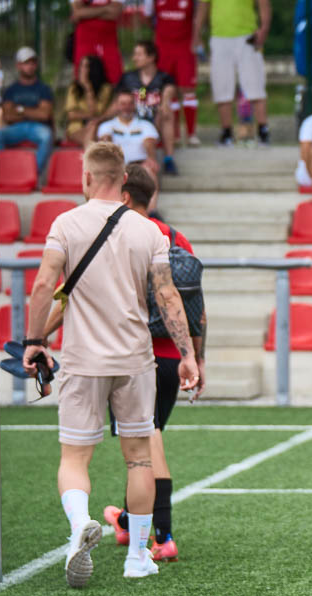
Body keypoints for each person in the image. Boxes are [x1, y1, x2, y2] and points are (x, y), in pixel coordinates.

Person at [21, 142, 198, 587]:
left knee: (75, 456)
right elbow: (167, 295)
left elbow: (44, 285)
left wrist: (34, 341)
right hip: (135, 359)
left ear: (86, 177)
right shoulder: (149, 231)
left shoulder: (66, 223)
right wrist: (189, 354)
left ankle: (79, 523)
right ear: (123, 181)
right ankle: (137, 556)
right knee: (139, 460)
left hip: (83, 359)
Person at [102, 164, 205, 563]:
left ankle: (163, 536)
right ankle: (127, 520)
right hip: (172, 358)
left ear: (124, 196)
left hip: (134, 356)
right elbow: (196, 307)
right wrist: (196, 356)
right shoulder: (177, 238)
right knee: (144, 443)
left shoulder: (119, 235)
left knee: (148, 444)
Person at [192, 0, 271, 146]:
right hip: (219, 36)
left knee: (255, 84)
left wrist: (264, 28)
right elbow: (203, 6)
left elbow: (263, 2)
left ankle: (263, 130)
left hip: (247, 35)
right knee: (221, 86)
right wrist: (196, 35)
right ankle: (226, 132)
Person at [116, 40, 180, 175]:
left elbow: (170, 90)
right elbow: (116, 102)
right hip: (132, 122)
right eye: (135, 54)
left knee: (167, 113)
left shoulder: (164, 78)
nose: (134, 58)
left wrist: (165, 102)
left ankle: (169, 159)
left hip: (155, 124)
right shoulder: (128, 78)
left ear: (151, 57)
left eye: (139, 54)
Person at [147, 0, 201, 146]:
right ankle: (174, 134)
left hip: (185, 46)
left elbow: (199, 15)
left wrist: (197, 39)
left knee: (188, 89)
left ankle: (191, 134)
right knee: (167, 89)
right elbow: (148, 17)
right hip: (163, 46)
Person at [0, 48, 56, 172]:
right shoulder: (11, 90)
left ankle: (32, 174)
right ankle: (4, 172)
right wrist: (34, 112)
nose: (30, 66)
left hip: (38, 127)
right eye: (26, 63)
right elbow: (8, 116)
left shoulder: (44, 89)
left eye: (33, 62)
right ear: (18, 65)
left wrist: (19, 109)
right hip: (17, 128)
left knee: (47, 136)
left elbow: (44, 115)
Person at [98, 93, 161, 176]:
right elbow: (105, 141)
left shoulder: (146, 125)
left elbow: (150, 143)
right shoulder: (106, 125)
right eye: (123, 104)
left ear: (135, 105)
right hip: (116, 166)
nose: (126, 107)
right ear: (116, 105)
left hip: (140, 166)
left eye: (130, 103)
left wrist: (151, 159)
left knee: (149, 169)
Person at [64, 55, 114, 148]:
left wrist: (88, 88)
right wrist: (90, 116)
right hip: (77, 128)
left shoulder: (105, 88)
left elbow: (96, 112)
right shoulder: (74, 87)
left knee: (94, 128)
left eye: (86, 66)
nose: (81, 69)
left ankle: (89, 155)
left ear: (94, 69)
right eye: (81, 66)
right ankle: (91, 154)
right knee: (93, 132)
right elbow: (71, 115)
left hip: (98, 127)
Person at [72, 0, 124, 84]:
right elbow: (78, 13)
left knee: (115, 78)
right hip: (85, 41)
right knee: (82, 79)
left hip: (108, 42)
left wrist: (87, 12)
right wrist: (106, 8)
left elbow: (115, 13)